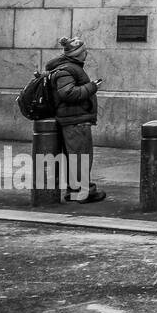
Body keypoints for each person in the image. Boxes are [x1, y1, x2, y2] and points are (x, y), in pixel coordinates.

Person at [46, 37, 106, 204]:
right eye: (84, 51)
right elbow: (68, 93)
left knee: (76, 156)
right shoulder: (67, 70)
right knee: (81, 156)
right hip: (75, 119)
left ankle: (74, 190)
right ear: (78, 54)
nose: (86, 53)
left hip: (74, 118)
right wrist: (92, 87)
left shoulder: (69, 68)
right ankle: (84, 192)